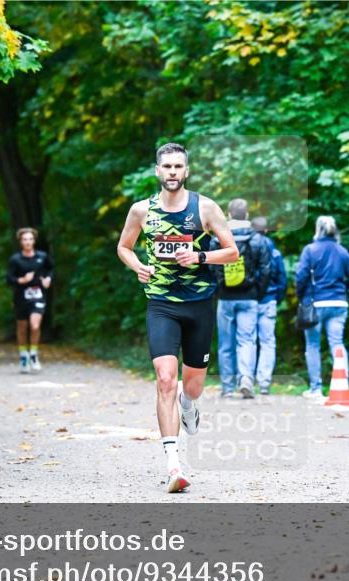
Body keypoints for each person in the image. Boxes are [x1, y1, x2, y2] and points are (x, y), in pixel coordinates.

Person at [116, 142, 238, 493]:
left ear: (186, 171)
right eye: (167, 166)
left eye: (178, 166)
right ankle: (174, 465)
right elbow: (124, 247)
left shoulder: (205, 207)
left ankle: (189, 404)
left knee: (192, 385)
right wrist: (137, 266)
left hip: (198, 304)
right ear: (158, 171)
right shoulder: (141, 210)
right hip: (161, 304)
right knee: (166, 379)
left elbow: (232, 252)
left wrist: (200, 257)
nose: (172, 172)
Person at [294, 215, 349, 400]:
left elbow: (301, 277)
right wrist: (344, 288)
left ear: (317, 229)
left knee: (313, 345)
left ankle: (316, 389)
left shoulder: (310, 250)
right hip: (339, 303)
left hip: (316, 303)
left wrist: (301, 296)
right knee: (337, 343)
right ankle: (342, 385)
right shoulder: (342, 251)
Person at [209, 199, 271, 399]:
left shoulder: (218, 238)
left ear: (228, 214)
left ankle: (227, 387)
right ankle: (246, 379)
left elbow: (210, 267)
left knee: (225, 344)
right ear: (247, 215)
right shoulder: (257, 239)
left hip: (225, 298)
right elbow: (265, 269)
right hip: (249, 297)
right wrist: (258, 293)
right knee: (247, 341)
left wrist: (218, 289)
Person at [6, 227, 54, 374]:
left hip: (38, 295)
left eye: (30, 239)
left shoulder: (42, 256)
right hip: (21, 297)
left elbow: (51, 269)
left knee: (34, 325)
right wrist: (21, 280)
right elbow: (9, 279)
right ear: (20, 242)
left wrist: (48, 279)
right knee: (22, 328)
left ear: (34, 241)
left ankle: (33, 354)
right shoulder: (15, 259)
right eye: (25, 239)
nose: (28, 242)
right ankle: (23, 356)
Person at [251, 217, 288, 395]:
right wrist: (276, 298)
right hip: (269, 300)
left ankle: (245, 379)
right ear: (266, 230)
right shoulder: (275, 252)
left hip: (249, 299)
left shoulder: (247, 248)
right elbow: (282, 280)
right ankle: (264, 382)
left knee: (246, 341)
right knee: (267, 342)